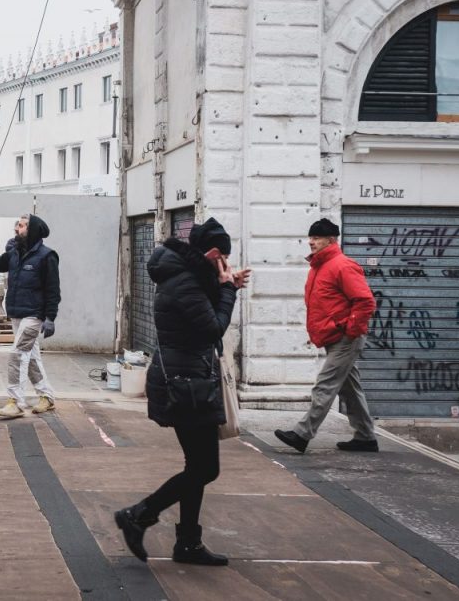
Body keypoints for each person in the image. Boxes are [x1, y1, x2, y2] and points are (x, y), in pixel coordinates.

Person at [114, 218, 250, 567]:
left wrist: (225, 285)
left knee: (199, 465)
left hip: (187, 379)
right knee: (205, 468)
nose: (225, 265)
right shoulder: (185, 282)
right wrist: (228, 290)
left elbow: (201, 319)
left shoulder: (184, 276)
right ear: (215, 253)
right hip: (186, 383)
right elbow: (212, 329)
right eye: (223, 258)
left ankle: (188, 543)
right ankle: (139, 515)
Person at [275, 218, 378, 454]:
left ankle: (302, 434)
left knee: (325, 385)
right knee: (349, 388)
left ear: (330, 240)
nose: (311, 242)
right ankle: (365, 437)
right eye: (310, 237)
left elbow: (365, 301)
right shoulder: (319, 266)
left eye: (316, 238)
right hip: (334, 336)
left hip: (345, 338)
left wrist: (350, 330)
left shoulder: (342, 265)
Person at [0, 214, 60, 419]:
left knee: (17, 354)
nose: (17, 228)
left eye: (22, 226)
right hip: (16, 313)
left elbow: (53, 290)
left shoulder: (47, 256)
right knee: (30, 356)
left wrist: (50, 317)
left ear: (32, 230)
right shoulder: (15, 253)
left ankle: (15, 401)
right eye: (17, 225)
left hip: (34, 315)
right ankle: (46, 396)